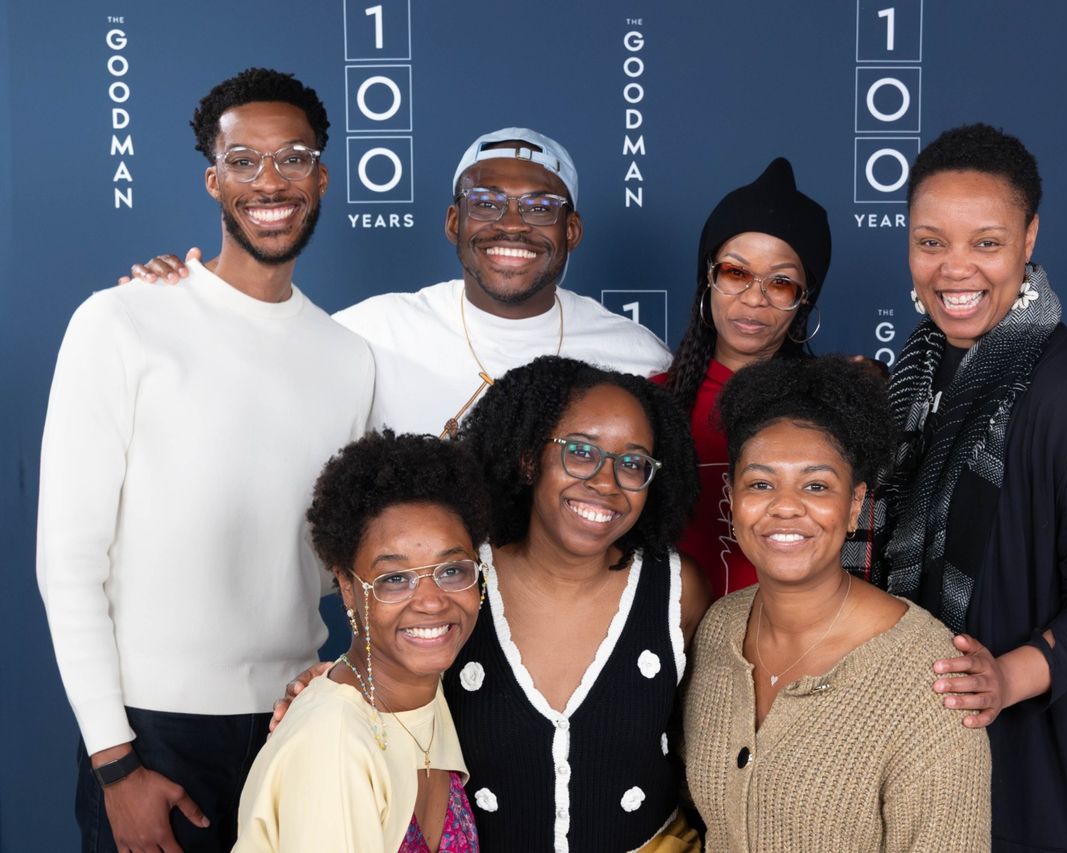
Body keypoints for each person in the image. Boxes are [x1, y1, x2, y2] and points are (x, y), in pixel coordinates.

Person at [36, 68, 374, 852]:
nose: (270, 181)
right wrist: (115, 764)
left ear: (321, 175)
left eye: (291, 157)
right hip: (151, 736)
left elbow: (332, 559)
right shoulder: (121, 320)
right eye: (244, 160)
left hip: (298, 723)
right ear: (214, 179)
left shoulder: (348, 356)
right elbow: (68, 562)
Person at [858, 123, 1067, 852]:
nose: (956, 270)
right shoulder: (911, 376)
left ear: (1029, 238)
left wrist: (1005, 677)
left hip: (1044, 773)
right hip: (924, 755)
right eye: (931, 242)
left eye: (985, 242)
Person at [123, 128, 673, 435]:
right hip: (415, 629)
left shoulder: (633, 356)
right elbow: (242, 383)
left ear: (571, 229)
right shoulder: (371, 331)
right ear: (454, 223)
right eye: (485, 203)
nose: (511, 224)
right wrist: (182, 297)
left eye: (538, 207)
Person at [684, 356, 991, 852]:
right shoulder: (720, 628)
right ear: (731, 499)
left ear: (854, 505)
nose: (785, 505)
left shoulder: (927, 676)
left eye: (816, 486)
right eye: (761, 483)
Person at [445, 356, 709, 852]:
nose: (607, 483)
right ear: (528, 459)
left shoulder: (676, 589)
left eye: (633, 464)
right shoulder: (457, 580)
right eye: (582, 453)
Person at [234, 431, 488, 852]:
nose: (430, 601)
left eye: (451, 570)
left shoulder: (422, 692)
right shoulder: (333, 742)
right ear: (348, 588)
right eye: (395, 579)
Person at [657, 158, 831, 598]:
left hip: (798, 648)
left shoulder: (830, 408)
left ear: (803, 302)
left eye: (781, 283)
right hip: (671, 644)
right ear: (708, 280)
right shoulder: (650, 403)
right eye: (736, 273)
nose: (754, 298)